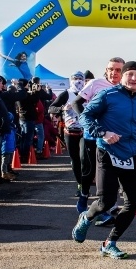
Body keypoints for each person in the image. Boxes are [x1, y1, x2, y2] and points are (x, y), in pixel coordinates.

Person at [71, 61, 136, 259]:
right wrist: (103, 132)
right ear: (122, 77)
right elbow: (85, 116)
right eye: (129, 74)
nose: (133, 78)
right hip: (108, 152)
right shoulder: (107, 95)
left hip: (133, 154)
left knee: (134, 201)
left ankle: (110, 242)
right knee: (107, 202)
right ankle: (87, 217)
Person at [73, 57, 125, 220]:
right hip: (92, 134)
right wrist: (88, 121)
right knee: (88, 170)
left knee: (110, 171)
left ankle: (108, 206)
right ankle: (84, 196)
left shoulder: (126, 87)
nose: (114, 73)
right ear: (106, 69)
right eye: (111, 69)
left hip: (114, 138)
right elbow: (76, 103)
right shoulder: (96, 83)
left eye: (118, 70)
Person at [48, 71, 87, 206]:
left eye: (80, 79)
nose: (78, 82)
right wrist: (62, 108)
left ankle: (87, 182)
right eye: (75, 79)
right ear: (71, 81)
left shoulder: (88, 93)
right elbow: (51, 108)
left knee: (84, 158)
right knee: (75, 159)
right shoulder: (66, 94)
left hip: (85, 131)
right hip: (70, 131)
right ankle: (80, 185)